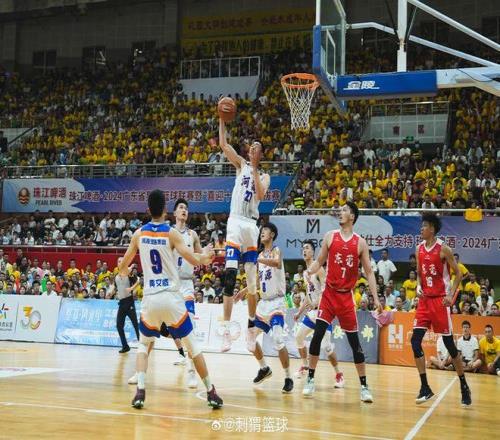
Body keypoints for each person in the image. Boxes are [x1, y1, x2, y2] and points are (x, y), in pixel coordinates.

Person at [117, 189, 222, 409]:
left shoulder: (138, 234)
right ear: (166, 210)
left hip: (150, 300)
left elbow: (123, 267)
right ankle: (211, 391)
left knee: (144, 346)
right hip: (172, 297)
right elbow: (193, 260)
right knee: (193, 346)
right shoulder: (172, 233)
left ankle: (140, 391)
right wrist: (206, 257)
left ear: (148, 210)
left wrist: (126, 272)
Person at [302, 202, 382, 402]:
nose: (340, 212)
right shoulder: (330, 236)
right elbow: (319, 261)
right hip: (329, 295)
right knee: (317, 336)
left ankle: (364, 386)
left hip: (346, 297)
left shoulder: (360, 243)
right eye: (340, 210)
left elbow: (369, 272)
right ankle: (310, 380)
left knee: (355, 343)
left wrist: (376, 297)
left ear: (352, 216)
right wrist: (309, 271)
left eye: (345, 210)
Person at [218, 113, 270, 353]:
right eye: (252, 147)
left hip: (251, 226)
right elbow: (223, 144)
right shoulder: (240, 164)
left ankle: (250, 328)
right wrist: (221, 119)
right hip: (235, 222)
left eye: (257, 148)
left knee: (251, 284)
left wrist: (256, 168)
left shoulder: (264, 175)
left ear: (261, 154)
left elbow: (260, 195)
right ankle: (226, 331)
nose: (253, 149)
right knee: (230, 275)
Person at [411, 213, 471, 406]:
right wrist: (418, 286)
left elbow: (458, 273)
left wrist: (450, 295)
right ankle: (425, 387)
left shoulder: (444, 249)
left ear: (432, 229)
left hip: (439, 302)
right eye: (421, 226)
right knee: (415, 341)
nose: (421, 229)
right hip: (424, 301)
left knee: (450, 346)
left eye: (424, 226)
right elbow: (419, 274)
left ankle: (463, 385)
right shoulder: (419, 249)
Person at [236, 223, 293, 393]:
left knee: (278, 339)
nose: (262, 232)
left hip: (277, 303)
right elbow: (259, 280)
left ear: (272, 234)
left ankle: (288, 377)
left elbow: (276, 262)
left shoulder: (276, 251)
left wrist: (257, 259)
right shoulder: (260, 255)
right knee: (250, 338)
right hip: (263, 305)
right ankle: (264, 368)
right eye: (261, 231)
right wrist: (244, 290)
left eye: (265, 230)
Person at [293, 240, 344, 388]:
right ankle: (305, 365)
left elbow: (327, 290)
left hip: (324, 313)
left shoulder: (319, 269)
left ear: (313, 252)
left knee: (327, 347)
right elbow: (308, 295)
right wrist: (299, 311)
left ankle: (339, 375)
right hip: (311, 314)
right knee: (298, 337)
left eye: (307, 248)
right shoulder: (305, 273)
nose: (304, 250)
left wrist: (317, 302)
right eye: (303, 248)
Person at [115, 257, 140, 353]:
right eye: (118, 261)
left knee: (135, 324)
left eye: (121, 261)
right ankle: (125, 346)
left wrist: (131, 288)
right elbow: (117, 287)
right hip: (121, 303)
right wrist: (112, 292)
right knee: (119, 325)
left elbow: (138, 281)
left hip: (129, 302)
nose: (120, 263)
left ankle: (142, 345)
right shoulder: (116, 276)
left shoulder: (129, 274)